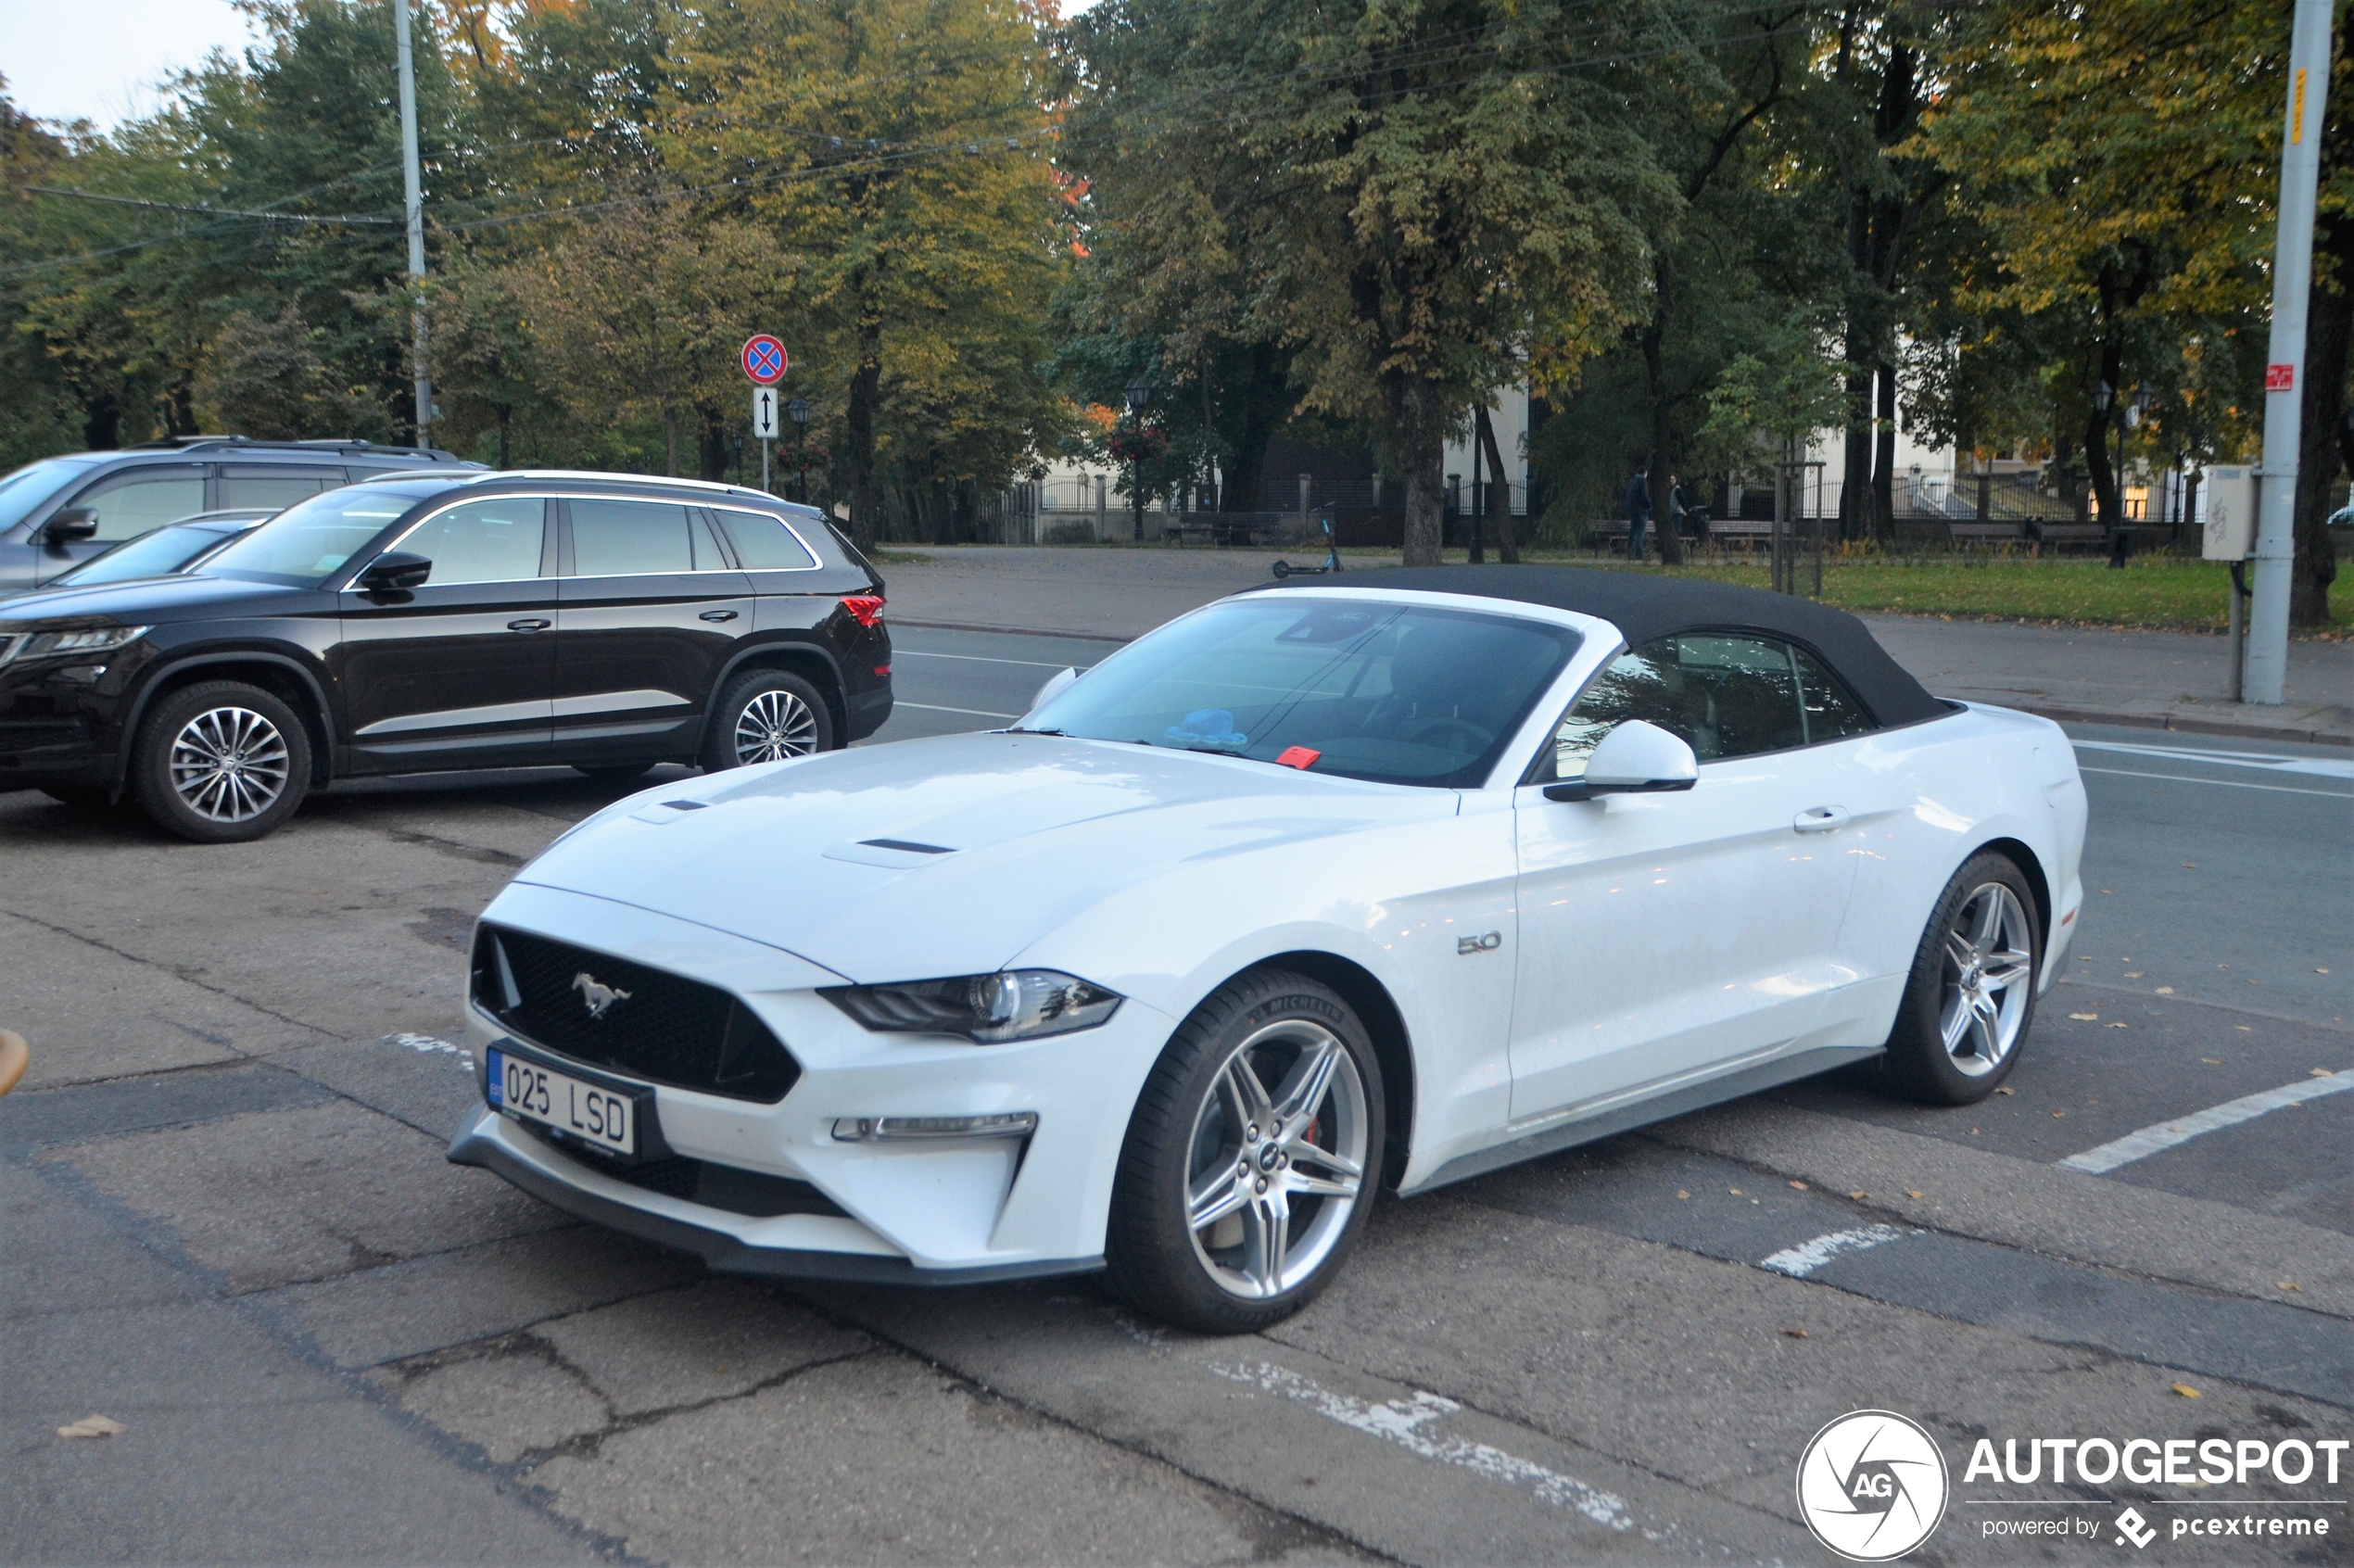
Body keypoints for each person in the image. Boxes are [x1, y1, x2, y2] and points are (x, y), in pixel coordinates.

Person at [1623, 465, 1652, 560]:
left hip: (1631, 510)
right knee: (1641, 531)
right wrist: (1649, 505)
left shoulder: (1631, 481)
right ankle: (1639, 553)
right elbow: (1644, 496)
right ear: (1645, 473)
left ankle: (1630, 550)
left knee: (1633, 530)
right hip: (1641, 511)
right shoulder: (1642, 482)